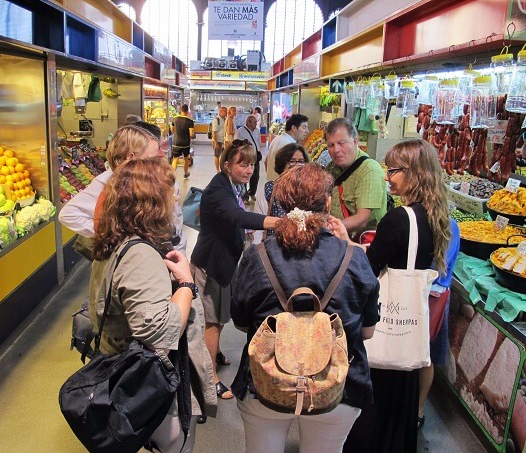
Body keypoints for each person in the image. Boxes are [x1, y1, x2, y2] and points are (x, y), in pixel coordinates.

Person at [231, 163, 380, 453]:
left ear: (283, 205)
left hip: (265, 382)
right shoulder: (354, 258)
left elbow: (240, 323)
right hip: (337, 386)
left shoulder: (256, 256)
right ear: (327, 203)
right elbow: (368, 331)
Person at [331, 139, 451, 453]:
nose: (388, 176)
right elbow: (397, 258)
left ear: (415, 173)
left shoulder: (398, 220)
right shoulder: (430, 215)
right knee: (400, 405)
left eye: (394, 170)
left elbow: (370, 269)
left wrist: (343, 250)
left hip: (387, 325)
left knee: (376, 405)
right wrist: (351, 242)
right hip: (410, 329)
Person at [89, 158, 217, 452]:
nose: (175, 200)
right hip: (149, 387)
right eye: (169, 193)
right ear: (151, 202)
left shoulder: (113, 239)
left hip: (121, 372)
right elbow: (159, 333)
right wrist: (185, 283)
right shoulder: (140, 255)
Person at [190, 139, 279, 401]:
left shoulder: (232, 186)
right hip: (210, 265)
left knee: (218, 316)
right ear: (227, 164)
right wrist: (277, 222)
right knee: (213, 322)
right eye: (243, 164)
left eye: (252, 164)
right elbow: (237, 217)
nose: (249, 169)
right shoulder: (219, 190)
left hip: (222, 262)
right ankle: (210, 379)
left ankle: (212, 353)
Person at [58, 123, 186, 253]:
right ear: (131, 158)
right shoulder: (107, 184)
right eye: (152, 159)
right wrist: (112, 235)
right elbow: (68, 214)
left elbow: (176, 222)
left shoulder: (158, 180)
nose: (161, 159)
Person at [418, 218, 460, 429]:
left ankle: (418, 410)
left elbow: (438, 267)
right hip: (418, 293)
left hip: (432, 298)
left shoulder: (449, 226)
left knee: (426, 356)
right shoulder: (410, 215)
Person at [325, 118, 387, 238]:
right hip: (339, 242)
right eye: (331, 145)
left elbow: (362, 219)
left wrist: (331, 228)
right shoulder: (332, 167)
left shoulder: (369, 170)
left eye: (341, 143)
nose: (336, 150)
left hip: (361, 246)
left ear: (355, 141)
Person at [253, 143, 309, 243]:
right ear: (282, 164)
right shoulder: (269, 189)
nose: (296, 166)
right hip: (272, 250)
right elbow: (258, 225)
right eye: (292, 161)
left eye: (301, 161)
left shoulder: (310, 191)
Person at [264, 113, 309, 181]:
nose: (307, 131)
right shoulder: (289, 145)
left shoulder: (277, 138)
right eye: (304, 127)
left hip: (273, 183)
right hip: (281, 186)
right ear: (294, 128)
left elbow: (266, 161)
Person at [234, 115, 262, 201]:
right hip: (245, 157)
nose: (256, 124)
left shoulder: (257, 131)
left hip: (255, 156)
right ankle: (244, 196)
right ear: (248, 123)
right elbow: (236, 144)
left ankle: (252, 192)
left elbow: (258, 142)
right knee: (244, 175)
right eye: (254, 122)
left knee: (255, 176)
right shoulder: (240, 131)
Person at [171, 104, 195, 179]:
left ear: (180, 110)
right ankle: (185, 174)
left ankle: (171, 176)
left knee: (175, 159)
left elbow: (172, 130)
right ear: (187, 111)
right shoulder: (190, 121)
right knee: (186, 159)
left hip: (176, 142)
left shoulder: (175, 119)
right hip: (185, 143)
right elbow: (191, 134)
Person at [212, 106, 227, 172]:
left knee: (223, 156)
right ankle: (217, 170)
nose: (226, 113)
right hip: (217, 140)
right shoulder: (216, 120)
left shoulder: (225, 119)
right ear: (221, 112)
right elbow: (214, 132)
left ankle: (222, 169)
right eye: (225, 111)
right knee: (217, 155)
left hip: (223, 140)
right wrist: (215, 143)